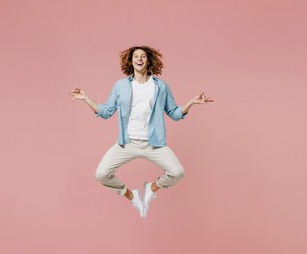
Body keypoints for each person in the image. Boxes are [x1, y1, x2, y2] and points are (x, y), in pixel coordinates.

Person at [68, 46, 213, 219]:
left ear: (149, 60)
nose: (139, 59)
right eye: (135, 56)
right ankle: (132, 195)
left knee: (177, 172)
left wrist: (191, 103)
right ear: (130, 61)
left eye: (143, 56)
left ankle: (151, 188)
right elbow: (106, 111)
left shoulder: (160, 86)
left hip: (154, 143)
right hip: (127, 143)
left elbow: (174, 113)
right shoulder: (120, 86)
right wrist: (86, 98)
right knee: (101, 174)